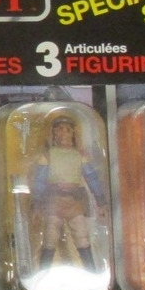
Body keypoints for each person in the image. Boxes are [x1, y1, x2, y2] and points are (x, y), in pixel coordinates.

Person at [32, 114, 107, 273]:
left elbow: (92, 178)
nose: (63, 134)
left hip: (75, 203)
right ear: (53, 133)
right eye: (59, 130)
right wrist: (37, 206)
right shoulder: (47, 156)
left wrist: (101, 202)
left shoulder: (80, 156)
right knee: (50, 238)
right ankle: (42, 273)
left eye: (67, 130)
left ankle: (92, 272)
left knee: (82, 237)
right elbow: (39, 182)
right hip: (55, 202)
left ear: (72, 133)